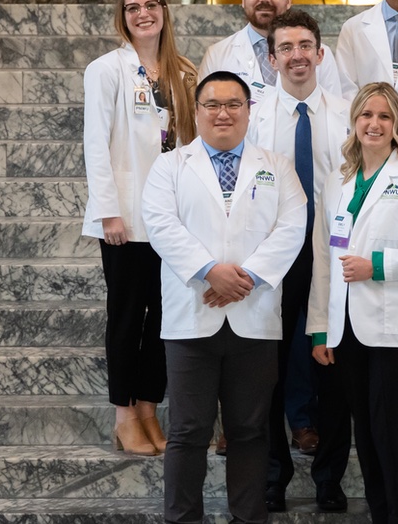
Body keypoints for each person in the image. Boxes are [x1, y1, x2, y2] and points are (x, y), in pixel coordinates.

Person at [143, 71, 308, 524]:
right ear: (196, 112)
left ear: (249, 112)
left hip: (253, 318)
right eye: (212, 104)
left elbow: (292, 228)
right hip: (191, 317)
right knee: (189, 430)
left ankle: (249, 517)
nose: (223, 112)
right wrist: (211, 273)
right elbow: (161, 226)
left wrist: (247, 278)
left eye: (233, 104)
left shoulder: (277, 166)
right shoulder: (170, 166)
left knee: (250, 430)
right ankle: (182, 519)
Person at [307, 82, 398, 524]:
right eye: (366, 115)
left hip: (396, 332)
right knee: (366, 440)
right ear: (353, 121)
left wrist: (377, 265)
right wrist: (320, 329)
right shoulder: (338, 179)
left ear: (397, 125)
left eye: (384, 116)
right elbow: (324, 258)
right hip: (347, 330)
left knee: (393, 441)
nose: (374, 124)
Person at [81, 0, 197, 457]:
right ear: (122, 17)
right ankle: (124, 416)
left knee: (165, 318)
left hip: (171, 218)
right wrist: (109, 211)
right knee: (127, 318)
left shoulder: (183, 72)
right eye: (133, 8)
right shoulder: (106, 70)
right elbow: (96, 143)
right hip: (125, 220)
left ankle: (149, 408)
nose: (143, 14)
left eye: (152, 5)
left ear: (165, 12)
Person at [245, 8, 353, 512]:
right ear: (271, 59)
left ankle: (330, 477)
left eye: (305, 45)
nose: (296, 55)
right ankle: (273, 475)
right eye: (285, 47)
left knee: (332, 367)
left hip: (332, 256)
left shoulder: (349, 111)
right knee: (268, 367)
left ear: (320, 52)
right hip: (272, 257)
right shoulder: (253, 116)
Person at [199, 0, 344, 105]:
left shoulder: (318, 54)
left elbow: (335, 114)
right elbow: (204, 117)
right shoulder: (217, 55)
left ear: (288, 0)